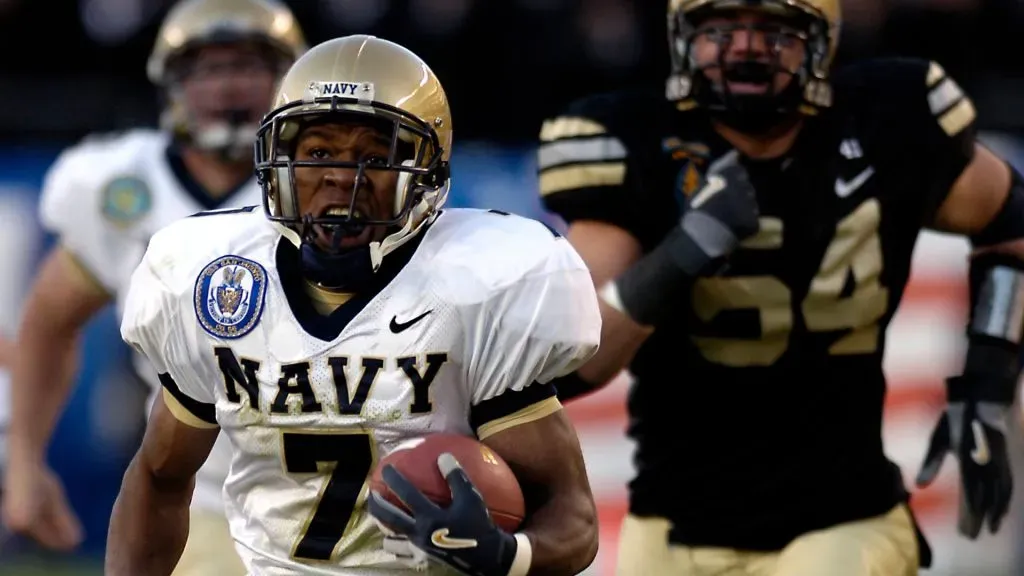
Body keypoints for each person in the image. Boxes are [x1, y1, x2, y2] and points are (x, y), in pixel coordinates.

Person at [536, 0, 1024, 574]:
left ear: (820, 41)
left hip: (845, 520)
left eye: (773, 28)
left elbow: (1008, 220)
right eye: (720, 28)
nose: (744, 47)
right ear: (683, 37)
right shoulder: (634, 139)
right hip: (675, 525)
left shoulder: (888, 116)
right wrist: (683, 251)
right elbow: (572, 361)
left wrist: (989, 380)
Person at [105, 35, 602, 576]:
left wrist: (507, 555)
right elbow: (159, 477)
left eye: (374, 155)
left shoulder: (477, 284)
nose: (341, 176)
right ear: (280, 161)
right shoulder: (217, 277)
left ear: (426, 172)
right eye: (318, 152)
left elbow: (571, 517)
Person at [2, 0, 305, 573]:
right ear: (171, 84)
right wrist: (24, 462)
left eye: (248, 66)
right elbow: (49, 320)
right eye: (208, 69)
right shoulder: (124, 187)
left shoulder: (329, 181)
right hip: (202, 497)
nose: (229, 86)